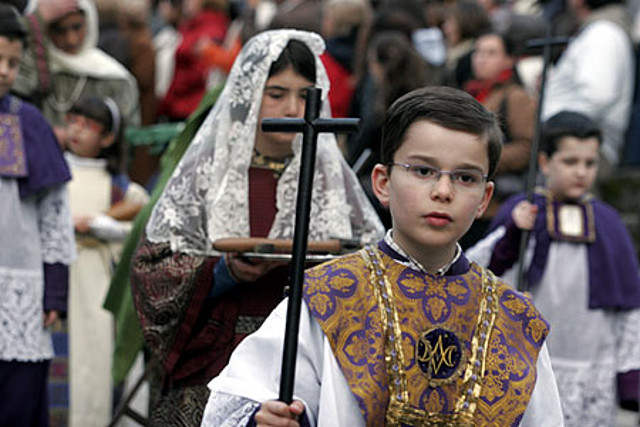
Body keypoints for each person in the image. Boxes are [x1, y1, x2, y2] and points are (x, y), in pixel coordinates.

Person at [201, 86, 564, 426]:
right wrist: (262, 419)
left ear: (485, 198)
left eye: (465, 178)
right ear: (382, 183)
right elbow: (238, 402)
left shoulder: (515, 320)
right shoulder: (328, 297)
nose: (442, 191)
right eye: (423, 171)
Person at [130, 29, 385, 424]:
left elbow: (367, 262)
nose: (292, 107)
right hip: (215, 353)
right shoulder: (208, 174)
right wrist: (223, 272)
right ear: (250, 91)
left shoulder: (329, 181)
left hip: (304, 354)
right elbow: (152, 268)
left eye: (304, 95)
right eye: (277, 93)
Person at [467, 111, 640, 426]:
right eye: (570, 162)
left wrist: (629, 376)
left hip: (591, 360)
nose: (581, 172)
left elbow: (628, 304)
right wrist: (515, 231)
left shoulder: (608, 222)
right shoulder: (523, 210)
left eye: (590, 163)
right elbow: (484, 273)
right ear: (545, 162)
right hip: (536, 354)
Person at [0, 5, 75, 426]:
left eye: (12, 62)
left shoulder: (28, 122)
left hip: (20, 287)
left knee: (18, 402)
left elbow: (55, 216)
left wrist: (55, 288)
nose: (4, 71)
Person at [63, 95, 148, 427]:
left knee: (95, 361)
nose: (76, 130)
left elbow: (141, 226)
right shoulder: (53, 175)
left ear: (108, 137)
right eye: (73, 121)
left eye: (88, 125)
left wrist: (105, 227)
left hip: (99, 285)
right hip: (58, 280)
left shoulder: (122, 189)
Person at [11, 0, 140, 149]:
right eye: (59, 30)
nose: (71, 40)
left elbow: (127, 138)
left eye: (77, 27)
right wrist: (34, 21)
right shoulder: (35, 67)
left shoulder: (114, 78)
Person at [541, 0, 634, 178]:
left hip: (579, 148)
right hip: (572, 147)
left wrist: (557, 128)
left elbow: (598, 96)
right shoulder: (599, 32)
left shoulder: (603, 34)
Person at [461, 30, 536, 248]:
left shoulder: (515, 96)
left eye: (491, 53)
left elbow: (527, 147)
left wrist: (480, 159)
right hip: (469, 200)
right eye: (478, 52)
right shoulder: (471, 94)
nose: (481, 58)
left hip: (496, 204)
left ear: (509, 60)